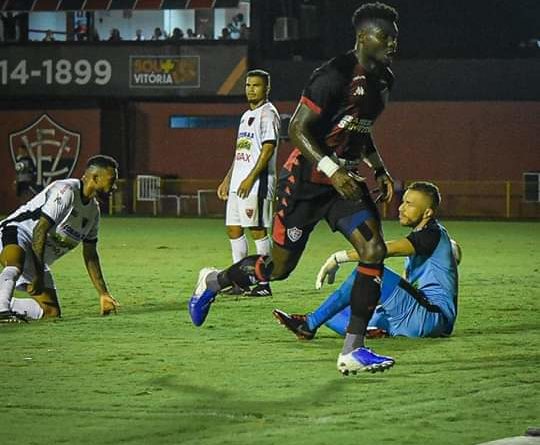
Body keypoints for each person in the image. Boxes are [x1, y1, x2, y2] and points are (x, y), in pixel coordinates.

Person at [189, 2, 399, 375]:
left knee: (374, 249)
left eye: (395, 36)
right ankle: (213, 281)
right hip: (305, 183)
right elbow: (297, 129)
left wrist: (379, 169)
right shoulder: (334, 73)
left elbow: (359, 130)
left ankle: (353, 349)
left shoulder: (384, 79)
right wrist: (333, 170)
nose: (393, 43)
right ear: (362, 37)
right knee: (277, 269)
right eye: (386, 36)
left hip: (344, 184)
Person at [273, 181, 461, 340]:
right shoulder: (428, 236)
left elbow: (380, 250)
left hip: (433, 317)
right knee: (334, 315)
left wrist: (339, 257)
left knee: (371, 270)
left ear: (427, 213)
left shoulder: (432, 233)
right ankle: (375, 331)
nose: (401, 208)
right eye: (403, 201)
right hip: (413, 317)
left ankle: (308, 324)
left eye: (409, 204)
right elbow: (409, 282)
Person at [0, 155, 120, 323]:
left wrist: (103, 294)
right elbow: (39, 230)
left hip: (36, 253)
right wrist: (39, 275)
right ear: (95, 178)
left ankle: (6, 304)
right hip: (17, 231)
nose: (114, 187)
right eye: (111, 180)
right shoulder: (66, 191)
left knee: (50, 312)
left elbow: (90, 255)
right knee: (15, 261)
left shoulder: (93, 212)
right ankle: (2, 311)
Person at [216, 70, 280, 297]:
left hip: (257, 183)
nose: (251, 89)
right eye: (248, 85)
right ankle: (240, 280)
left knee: (258, 230)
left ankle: (264, 284)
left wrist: (250, 178)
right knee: (233, 229)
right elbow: (241, 150)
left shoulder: (268, 114)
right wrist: (227, 179)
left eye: (256, 85)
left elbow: (268, 149)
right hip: (238, 184)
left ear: (267, 88)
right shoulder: (245, 116)